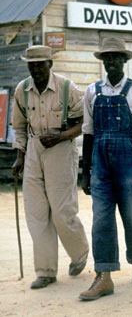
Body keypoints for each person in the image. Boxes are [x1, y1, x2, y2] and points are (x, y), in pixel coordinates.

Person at [79, 38, 132, 301]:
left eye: (116, 58)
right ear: (103, 62)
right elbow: (88, 133)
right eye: (107, 58)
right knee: (101, 218)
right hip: (100, 164)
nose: (111, 62)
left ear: (124, 61)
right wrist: (85, 170)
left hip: (130, 163)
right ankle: (104, 275)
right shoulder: (92, 91)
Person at [11, 45, 89, 289]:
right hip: (34, 150)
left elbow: (85, 122)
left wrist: (62, 136)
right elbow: (20, 126)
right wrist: (20, 156)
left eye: (41, 64)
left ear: (50, 64)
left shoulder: (68, 88)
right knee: (36, 212)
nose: (36, 69)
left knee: (61, 211)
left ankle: (79, 254)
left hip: (61, 148)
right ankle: (45, 271)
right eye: (32, 65)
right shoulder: (22, 90)